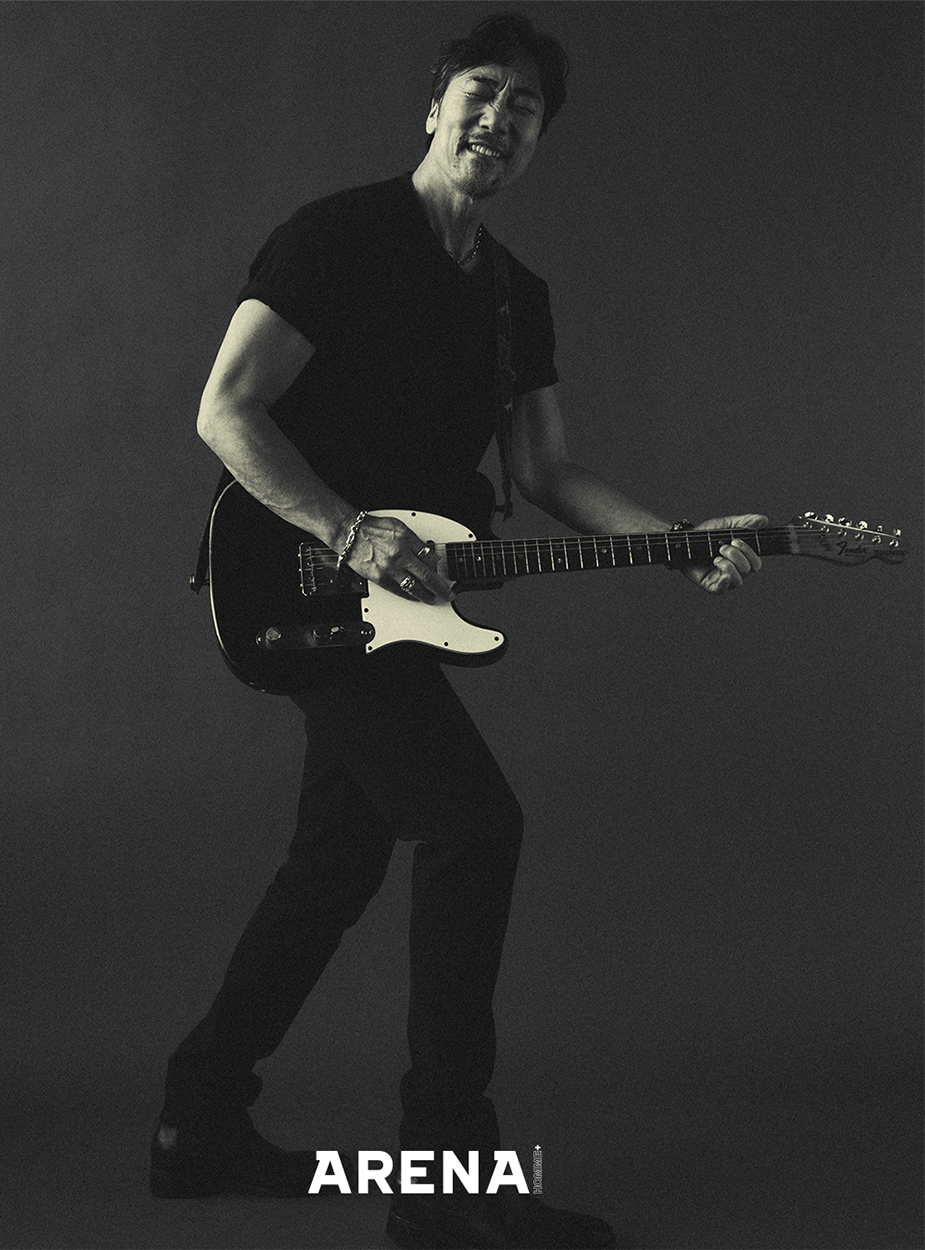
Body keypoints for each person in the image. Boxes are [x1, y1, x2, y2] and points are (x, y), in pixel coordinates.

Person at [150, 12, 765, 1249]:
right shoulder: (336, 238)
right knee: (474, 825)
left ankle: (198, 1119)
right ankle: (445, 1180)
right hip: (299, 584)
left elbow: (544, 469)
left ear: (537, 140)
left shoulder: (512, 298)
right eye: (481, 90)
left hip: (399, 611)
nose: (499, 116)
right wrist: (347, 533)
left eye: (525, 106)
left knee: (335, 862)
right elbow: (227, 408)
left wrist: (678, 539)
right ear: (432, 106)